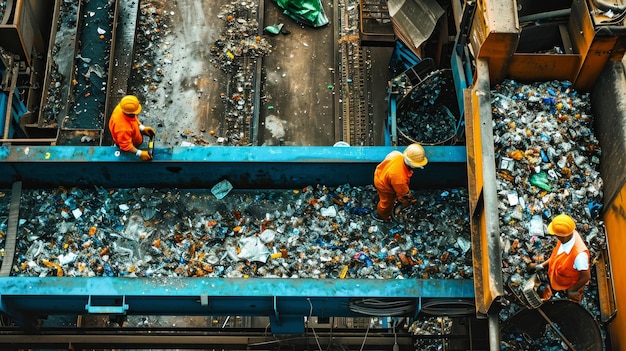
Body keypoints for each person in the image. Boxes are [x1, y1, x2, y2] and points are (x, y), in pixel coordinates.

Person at [530, 214, 591, 303]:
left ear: (562, 236)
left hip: (566, 283)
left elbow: (586, 276)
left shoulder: (579, 256)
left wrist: (572, 290)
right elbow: (557, 256)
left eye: (555, 234)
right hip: (556, 275)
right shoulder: (568, 236)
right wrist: (542, 265)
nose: (555, 236)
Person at [372, 143, 428, 223]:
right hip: (384, 185)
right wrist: (409, 200)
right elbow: (403, 194)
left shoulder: (397, 155)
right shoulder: (400, 178)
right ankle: (382, 216)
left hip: (380, 174)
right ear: (412, 164)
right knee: (386, 203)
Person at [108, 95, 156, 161]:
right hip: (130, 143)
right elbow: (126, 146)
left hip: (132, 136)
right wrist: (140, 153)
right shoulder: (123, 128)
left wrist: (142, 128)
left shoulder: (121, 108)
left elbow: (133, 119)